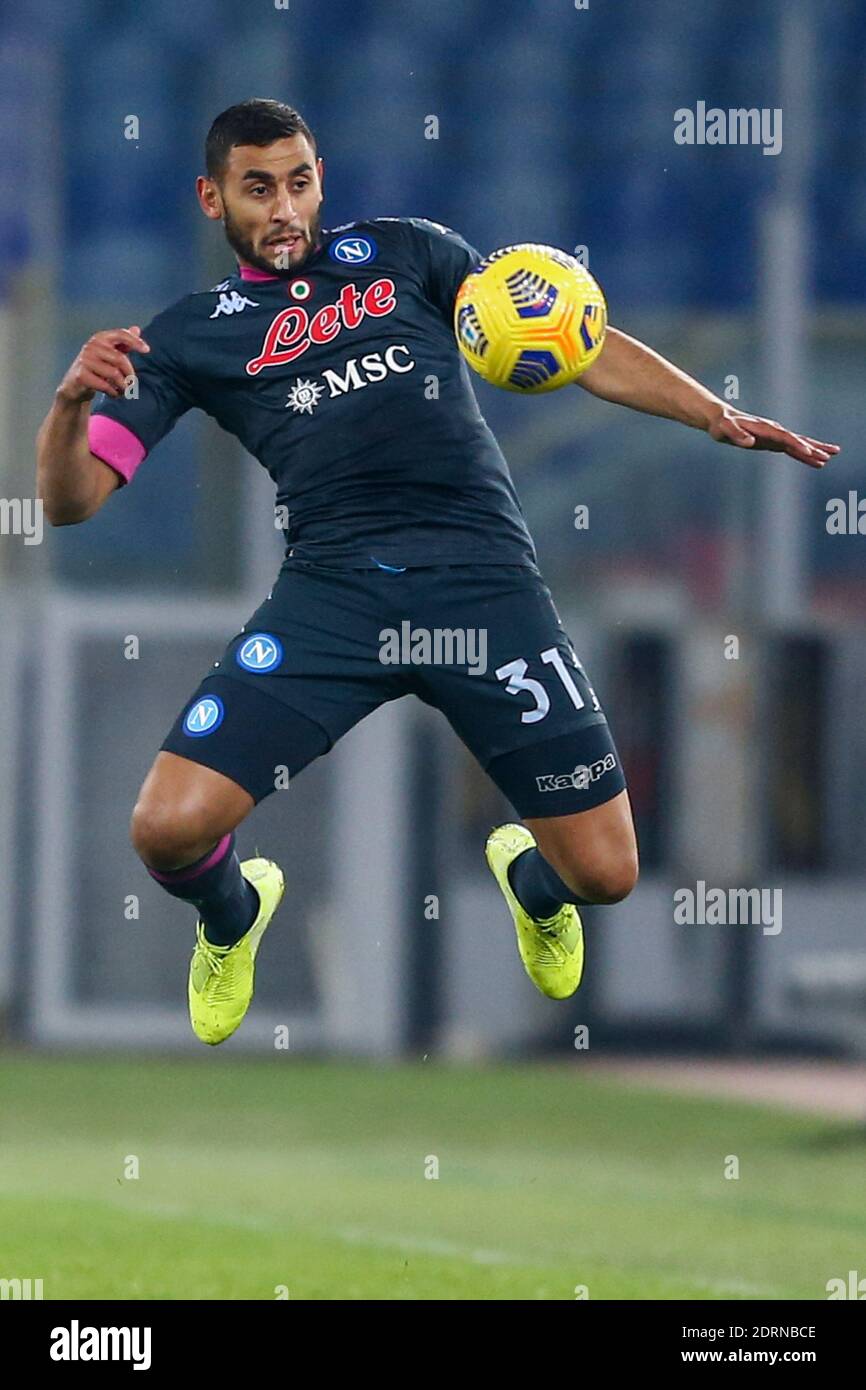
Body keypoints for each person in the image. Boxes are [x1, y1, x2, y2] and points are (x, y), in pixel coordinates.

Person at [36, 100, 839, 1044]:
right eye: (259, 189)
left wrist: (712, 412)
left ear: (320, 178)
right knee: (165, 827)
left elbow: (573, 339)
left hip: (484, 581)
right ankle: (233, 913)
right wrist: (66, 402)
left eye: (299, 182)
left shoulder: (410, 253)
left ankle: (531, 882)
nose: (285, 207)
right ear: (213, 199)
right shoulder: (184, 338)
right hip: (334, 593)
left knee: (604, 874)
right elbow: (71, 501)